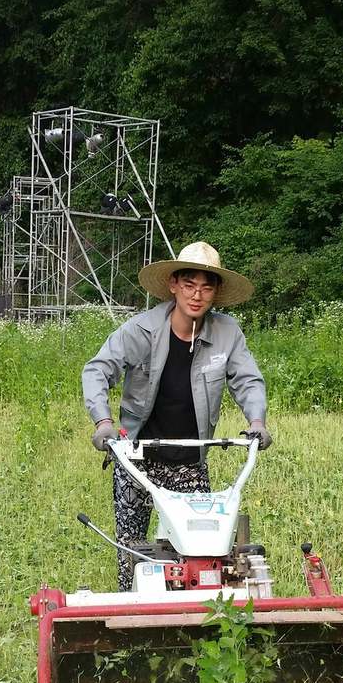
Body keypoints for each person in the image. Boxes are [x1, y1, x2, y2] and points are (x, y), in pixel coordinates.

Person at [82, 241, 271, 588]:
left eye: (206, 286)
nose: (197, 295)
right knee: (133, 548)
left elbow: (248, 379)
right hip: (136, 457)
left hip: (189, 458)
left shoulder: (228, 333)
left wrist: (256, 421)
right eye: (189, 285)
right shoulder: (140, 330)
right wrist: (104, 423)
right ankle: (133, 614)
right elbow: (97, 370)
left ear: (216, 292)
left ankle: (198, 622)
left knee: (203, 552)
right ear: (173, 285)